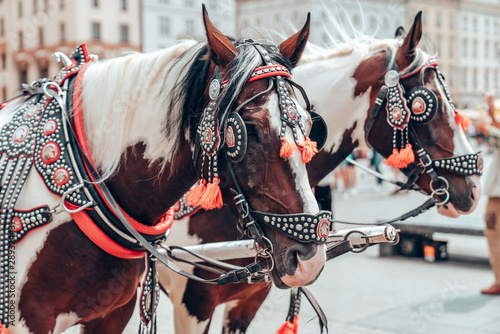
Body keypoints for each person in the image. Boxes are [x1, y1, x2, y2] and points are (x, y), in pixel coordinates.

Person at [477, 93, 500, 295]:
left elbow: (483, 128)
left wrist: (485, 107)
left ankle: (499, 280)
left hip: (498, 195)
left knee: (493, 233)